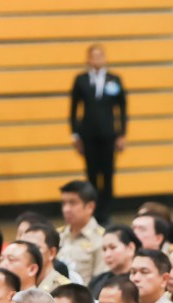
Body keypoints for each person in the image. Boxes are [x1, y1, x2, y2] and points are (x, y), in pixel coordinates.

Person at [69, 45, 126, 220]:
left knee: (108, 175)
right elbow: (73, 110)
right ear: (88, 59)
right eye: (93, 56)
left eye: (100, 56)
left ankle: (106, 213)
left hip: (109, 135)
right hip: (89, 136)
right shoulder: (81, 80)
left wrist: (122, 134)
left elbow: (122, 109)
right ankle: (92, 212)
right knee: (92, 174)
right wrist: (75, 135)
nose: (97, 59)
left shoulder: (114, 80)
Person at [57, 180, 107, 284]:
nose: (66, 209)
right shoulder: (57, 236)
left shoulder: (102, 239)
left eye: (72, 203)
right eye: (64, 203)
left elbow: (100, 282)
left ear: (90, 207)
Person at [89, 225, 139, 298]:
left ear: (131, 248)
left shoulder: (138, 281)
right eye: (104, 249)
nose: (107, 254)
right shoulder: (97, 281)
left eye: (113, 247)